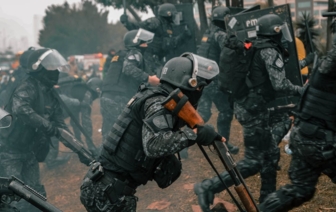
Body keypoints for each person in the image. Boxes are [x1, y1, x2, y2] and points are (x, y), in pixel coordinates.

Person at [80, 53, 223, 211]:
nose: (199, 91)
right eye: (199, 86)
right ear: (187, 84)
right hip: (108, 193)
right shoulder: (157, 103)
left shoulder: (156, 96)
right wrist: (194, 135)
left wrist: (205, 133)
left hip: (104, 186)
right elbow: (154, 145)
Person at [194, 14, 306, 210]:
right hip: (253, 110)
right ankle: (208, 186)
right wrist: (302, 90)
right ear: (275, 32)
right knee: (254, 161)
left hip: (249, 106)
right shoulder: (269, 50)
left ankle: (266, 204)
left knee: (271, 156)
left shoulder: (254, 44)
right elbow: (279, 84)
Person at [0, 48, 89, 211]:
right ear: (38, 70)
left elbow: (60, 127)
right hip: (10, 151)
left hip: (29, 151)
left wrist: (82, 152)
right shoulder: (28, 86)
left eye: (56, 69)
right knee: (13, 195)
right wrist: (47, 126)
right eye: (51, 69)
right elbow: (21, 109)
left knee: (35, 195)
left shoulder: (49, 93)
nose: (55, 73)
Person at [258, 37, 336, 212]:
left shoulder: (324, 66)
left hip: (304, 136)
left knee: (300, 189)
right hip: (321, 141)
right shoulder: (330, 69)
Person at [100, 28, 160, 141]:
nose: (146, 45)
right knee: (128, 133)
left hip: (106, 97)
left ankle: (102, 158)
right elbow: (128, 68)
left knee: (109, 135)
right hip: (119, 99)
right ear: (135, 42)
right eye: (143, 42)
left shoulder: (119, 55)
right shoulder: (134, 53)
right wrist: (149, 79)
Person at [196, 6, 239, 155]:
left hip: (202, 79)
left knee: (203, 114)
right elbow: (231, 50)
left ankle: (183, 139)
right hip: (212, 80)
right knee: (226, 111)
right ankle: (223, 146)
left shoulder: (208, 33)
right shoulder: (220, 34)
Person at [120, 3, 191, 75]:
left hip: (158, 57)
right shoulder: (155, 22)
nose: (175, 17)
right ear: (168, 14)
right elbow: (137, 29)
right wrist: (127, 23)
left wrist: (184, 36)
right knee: (156, 78)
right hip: (149, 56)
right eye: (173, 14)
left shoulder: (169, 26)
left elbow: (171, 44)